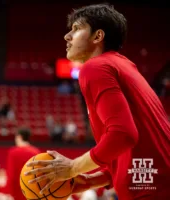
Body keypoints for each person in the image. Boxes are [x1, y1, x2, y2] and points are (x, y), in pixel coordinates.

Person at [25, 4, 170, 200]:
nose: (67, 36)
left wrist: (73, 167)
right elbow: (140, 149)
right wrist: (90, 181)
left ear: (97, 36)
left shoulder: (96, 67)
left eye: (76, 29)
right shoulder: (124, 65)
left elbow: (123, 135)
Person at [5, 128, 40, 200]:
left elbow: (11, 174)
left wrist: (9, 192)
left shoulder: (13, 152)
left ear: (19, 137)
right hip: (32, 191)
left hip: (17, 191)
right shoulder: (36, 152)